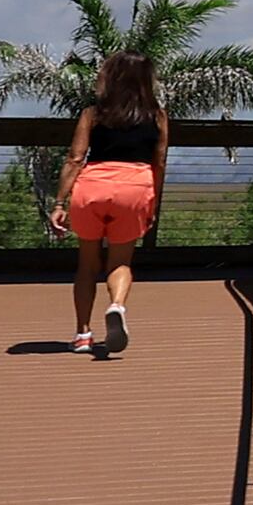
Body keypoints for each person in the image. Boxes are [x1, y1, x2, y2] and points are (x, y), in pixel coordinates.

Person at [63, 50, 167, 357]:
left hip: (92, 187)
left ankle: (83, 333)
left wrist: (59, 201)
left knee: (86, 265)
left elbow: (75, 158)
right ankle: (117, 305)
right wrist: (152, 202)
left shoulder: (93, 114)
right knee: (120, 262)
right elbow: (159, 161)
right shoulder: (157, 116)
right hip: (135, 187)